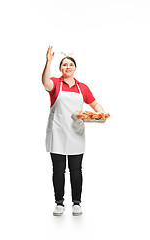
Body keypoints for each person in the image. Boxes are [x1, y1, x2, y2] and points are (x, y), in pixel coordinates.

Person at [42, 46, 105, 216]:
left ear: (75, 68)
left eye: (70, 65)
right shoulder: (55, 83)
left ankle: (77, 203)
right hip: (58, 132)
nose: (67, 67)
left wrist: (100, 112)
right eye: (64, 65)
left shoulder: (82, 87)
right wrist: (48, 61)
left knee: (76, 169)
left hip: (76, 133)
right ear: (60, 68)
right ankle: (59, 203)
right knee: (58, 169)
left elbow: (94, 104)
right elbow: (45, 82)